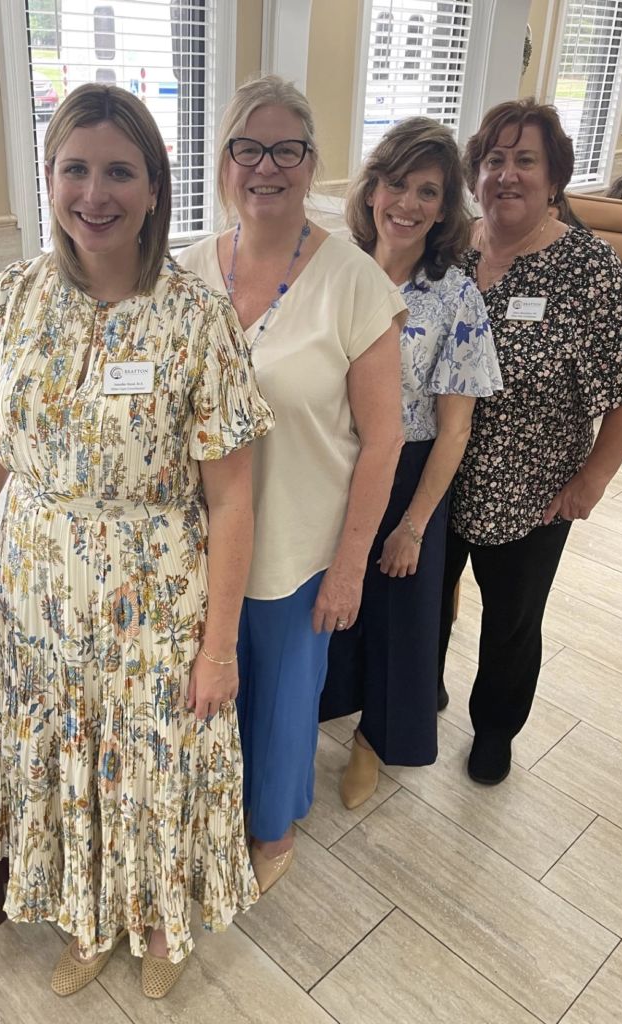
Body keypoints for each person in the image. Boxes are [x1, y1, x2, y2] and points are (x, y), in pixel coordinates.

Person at [0, 84, 275, 999]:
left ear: (155, 185)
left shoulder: (196, 318)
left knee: (156, 760)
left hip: (155, 596)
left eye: (119, 171)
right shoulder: (12, 298)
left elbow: (233, 500)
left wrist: (218, 646)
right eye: (75, 169)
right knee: (68, 758)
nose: (95, 193)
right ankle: (88, 917)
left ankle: (161, 921)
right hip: (40, 593)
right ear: (48, 178)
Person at [178, 75, 406, 890]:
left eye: (286, 150)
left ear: (312, 165)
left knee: (278, 703)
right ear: (223, 161)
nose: (264, 166)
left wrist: (350, 566)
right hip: (193, 543)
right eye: (247, 148)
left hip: (297, 547)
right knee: (203, 692)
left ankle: (271, 831)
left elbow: (382, 441)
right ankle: (208, 813)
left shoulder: (354, 283)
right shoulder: (186, 269)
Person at [439, 97, 622, 785]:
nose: (507, 174)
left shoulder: (590, 271)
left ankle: (494, 727)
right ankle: (419, 690)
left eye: (526, 160)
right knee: (427, 599)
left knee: (511, 620)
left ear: (554, 180)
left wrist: (592, 481)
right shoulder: (450, 249)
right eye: (494, 160)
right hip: (435, 477)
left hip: (533, 489)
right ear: (475, 174)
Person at [320, 119, 502, 807]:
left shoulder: (455, 296)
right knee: (328, 601)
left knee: (398, 617)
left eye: (428, 191)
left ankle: (374, 739)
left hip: (406, 472)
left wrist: (414, 526)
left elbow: (455, 429)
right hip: (327, 463)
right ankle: (323, 705)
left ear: (445, 207)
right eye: (396, 183)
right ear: (372, 189)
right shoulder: (331, 271)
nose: (408, 202)